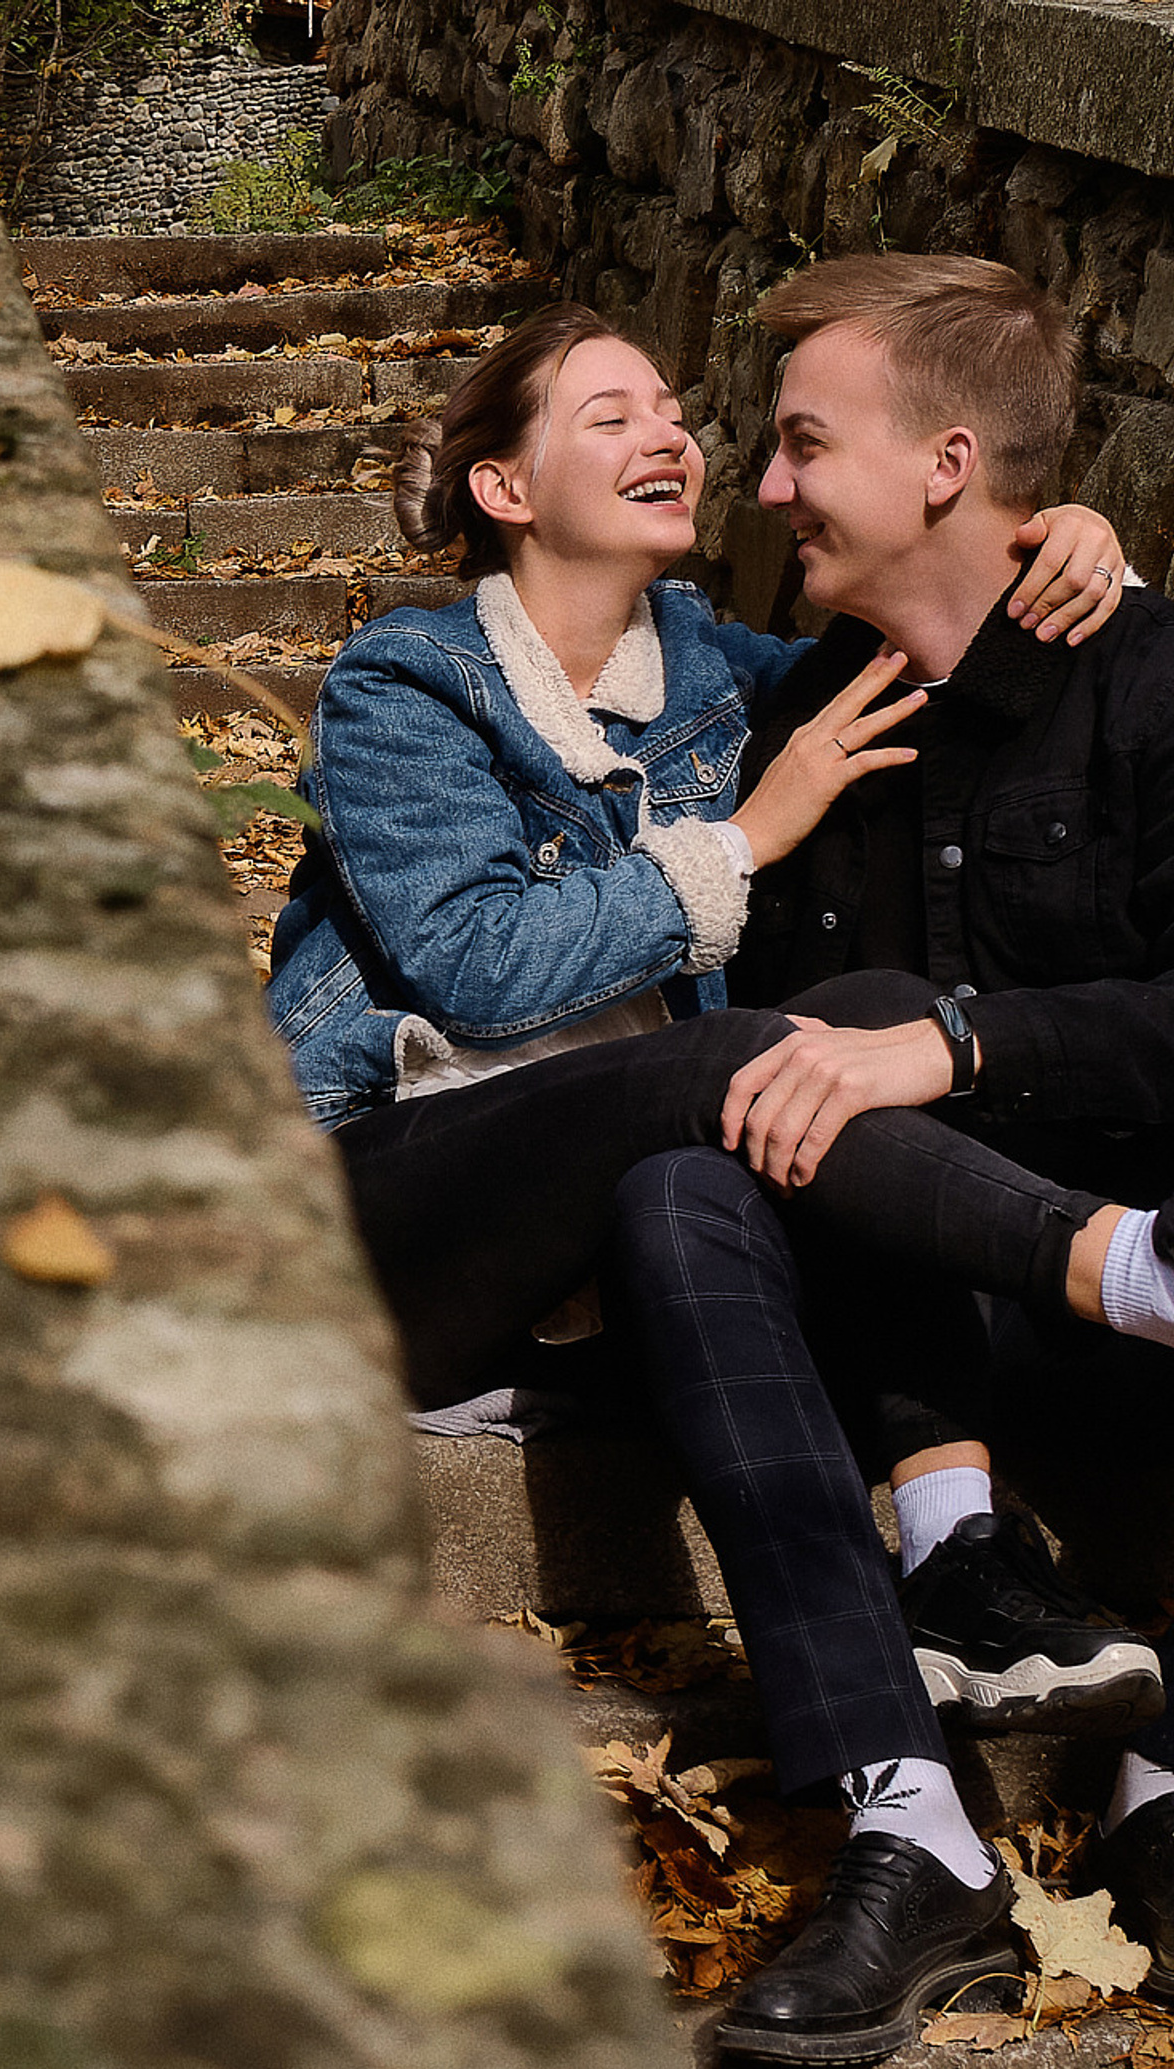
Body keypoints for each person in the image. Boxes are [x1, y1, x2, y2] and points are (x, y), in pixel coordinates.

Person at [594, 255, 1174, 2064]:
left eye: (799, 445)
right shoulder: (802, 722)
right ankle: (913, 1825)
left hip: (1134, 1365)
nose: (764, 488)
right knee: (683, 1172)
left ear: (944, 464)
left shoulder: (1154, 681)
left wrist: (969, 1042)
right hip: (919, 1378)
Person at [261, 302, 1133, 1418]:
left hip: (602, 1242)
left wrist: (1052, 540)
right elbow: (475, 966)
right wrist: (742, 838)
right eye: (611, 418)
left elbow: (931, 665)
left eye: (672, 416)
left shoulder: (708, 669)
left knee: (861, 1015)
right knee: (732, 1058)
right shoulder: (406, 685)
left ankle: (946, 1525)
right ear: (506, 490)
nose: (669, 439)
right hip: (378, 1219)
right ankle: (1120, 1268)